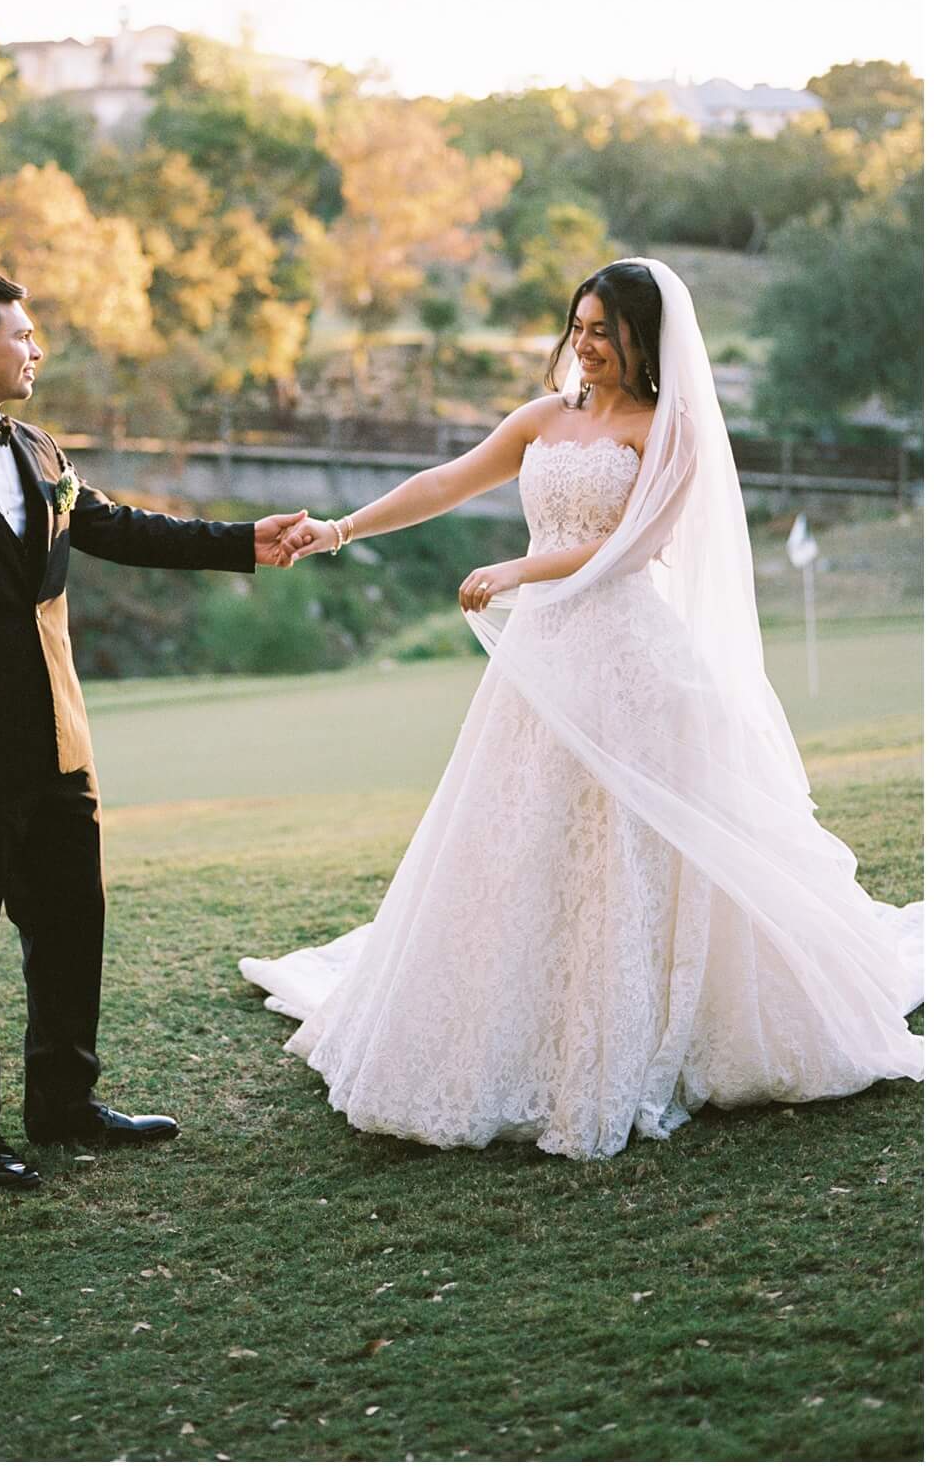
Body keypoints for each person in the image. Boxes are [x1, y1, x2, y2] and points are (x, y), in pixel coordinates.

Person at [242, 259, 924, 1159]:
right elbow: (449, 480)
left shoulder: (670, 429)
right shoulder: (545, 418)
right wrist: (338, 530)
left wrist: (521, 569)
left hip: (629, 661)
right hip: (543, 661)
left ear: (646, 338)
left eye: (606, 329)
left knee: (632, 847)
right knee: (523, 832)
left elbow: (633, 545)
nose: (587, 344)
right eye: (579, 326)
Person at [0, 271, 303, 1189]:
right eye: (25, 333)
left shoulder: (42, 449)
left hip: (59, 738)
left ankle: (65, 1105)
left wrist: (246, 540)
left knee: (73, 924)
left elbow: (120, 529)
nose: (36, 349)